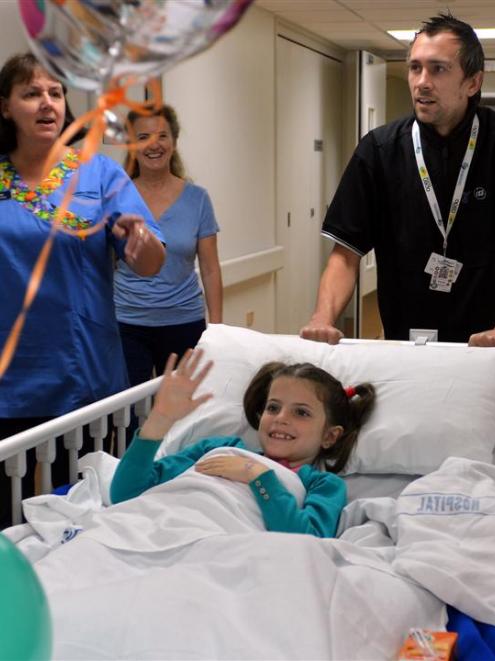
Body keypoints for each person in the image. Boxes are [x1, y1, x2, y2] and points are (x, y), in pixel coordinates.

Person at [0, 52, 165, 521]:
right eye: (31, 93)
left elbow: (152, 262)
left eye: (55, 92)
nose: (47, 103)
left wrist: (139, 242)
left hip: (82, 370)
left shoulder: (98, 174)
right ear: (6, 107)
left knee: (81, 511)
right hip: (8, 376)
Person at [301, 12, 495, 347]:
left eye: (438, 68)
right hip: (406, 347)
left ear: (472, 82)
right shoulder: (379, 151)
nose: (421, 81)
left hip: (487, 347)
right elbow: (345, 255)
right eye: (415, 67)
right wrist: (323, 317)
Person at [111, 348, 375, 538]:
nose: (281, 419)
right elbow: (126, 495)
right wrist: (159, 421)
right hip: (162, 528)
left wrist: (257, 475)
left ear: (330, 436)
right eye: (273, 407)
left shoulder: (322, 485)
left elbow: (303, 540)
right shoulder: (217, 448)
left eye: (301, 412)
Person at [114, 105, 223, 390]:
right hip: (127, 323)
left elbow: (210, 269)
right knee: (128, 416)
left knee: (181, 416)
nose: (154, 144)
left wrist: (219, 332)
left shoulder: (197, 198)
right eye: (144, 136)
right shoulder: (116, 195)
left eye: (162, 135)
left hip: (184, 323)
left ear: (174, 143)